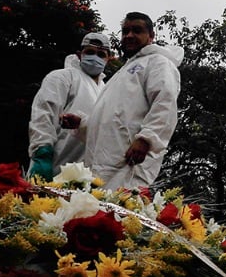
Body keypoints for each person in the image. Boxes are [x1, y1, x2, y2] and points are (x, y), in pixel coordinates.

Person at [63, 12, 183, 190]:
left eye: (137, 30)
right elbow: (112, 121)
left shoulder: (158, 62)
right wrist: (81, 123)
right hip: (102, 167)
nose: (129, 36)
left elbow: (164, 103)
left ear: (151, 36)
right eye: (125, 31)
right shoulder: (124, 72)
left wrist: (147, 139)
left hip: (128, 164)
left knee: (121, 214)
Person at [26, 31, 112, 180]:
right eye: (90, 52)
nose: (95, 58)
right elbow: (44, 114)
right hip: (54, 165)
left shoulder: (106, 90)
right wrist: (42, 152)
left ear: (108, 59)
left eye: (101, 54)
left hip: (87, 177)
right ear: (79, 55)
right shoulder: (62, 77)